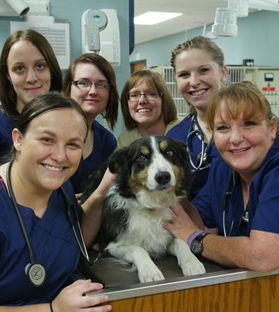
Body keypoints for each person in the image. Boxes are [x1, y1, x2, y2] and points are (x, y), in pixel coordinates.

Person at [0, 92, 113, 311]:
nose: (60, 156)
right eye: (47, 140)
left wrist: (102, 192)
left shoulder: (60, 186)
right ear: (18, 139)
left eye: (73, 145)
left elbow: (76, 235)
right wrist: (53, 309)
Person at [164, 82, 279, 272]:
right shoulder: (222, 167)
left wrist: (194, 237)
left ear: (273, 128)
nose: (235, 138)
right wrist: (174, 189)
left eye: (248, 124)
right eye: (223, 128)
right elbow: (201, 223)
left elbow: (263, 256)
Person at [0, 29, 62, 179]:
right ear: (8, 76)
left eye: (40, 66)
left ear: (51, 70)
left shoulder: (63, 125)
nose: (31, 77)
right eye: (19, 69)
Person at [166, 36, 228, 200]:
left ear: (223, 72)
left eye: (203, 70)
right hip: (193, 223)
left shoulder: (256, 126)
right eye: (184, 74)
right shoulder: (174, 138)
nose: (194, 82)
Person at [62, 53, 119, 194]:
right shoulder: (48, 132)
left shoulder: (107, 141)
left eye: (101, 85)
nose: (93, 91)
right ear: (69, 88)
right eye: (83, 83)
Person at [117, 69, 180, 148]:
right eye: (134, 95)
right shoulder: (125, 141)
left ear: (164, 99)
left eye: (151, 94)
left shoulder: (184, 129)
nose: (142, 100)